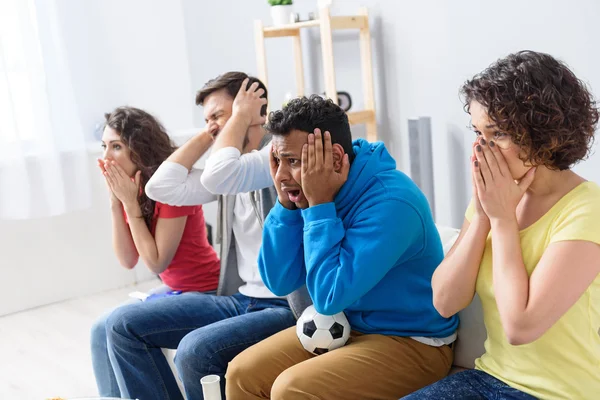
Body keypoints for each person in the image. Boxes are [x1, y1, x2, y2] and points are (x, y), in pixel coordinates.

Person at [226, 95, 459, 400]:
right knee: (241, 374)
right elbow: (279, 280)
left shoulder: (392, 203)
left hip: (413, 342)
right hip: (346, 327)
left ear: (335, 159)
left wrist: (319, 205)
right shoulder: (310, 191)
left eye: (293, 162)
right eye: (278, 161)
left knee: (291, 390)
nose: (281, 176)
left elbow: (329, 297)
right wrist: (286, 205)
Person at [404, 50, 600, 400]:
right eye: (478, 134)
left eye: (497, 136)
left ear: (547, 134)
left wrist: (502, 220)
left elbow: (521, 327)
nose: (481, 150)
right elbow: (445, 301)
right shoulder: (494, 199)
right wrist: (482, 216)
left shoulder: (588, 209)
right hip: (489, 378)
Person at [104, 72, 310, 400]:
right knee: (120, 325)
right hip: (242, 299)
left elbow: (221, 172)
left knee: (194, 351)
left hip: (284, 306)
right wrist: (207, 134)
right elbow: (160, 187)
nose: (215, 128)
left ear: (255, 113)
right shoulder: (225, 174)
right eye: (208, 120)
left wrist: (243, 116)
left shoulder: (273, 159)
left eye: (219, 116)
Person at [90, 106, 220, 397]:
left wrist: (130, 207)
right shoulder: (132, 191)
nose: (106, 157)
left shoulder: (171, 190)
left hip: (207, 291)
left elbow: (156, 260)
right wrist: (116, 202)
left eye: (116, 147)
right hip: (175, 290)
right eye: (104, 147)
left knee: (117, 325)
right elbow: (127, 260)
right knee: (100, 330)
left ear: (139, 149)